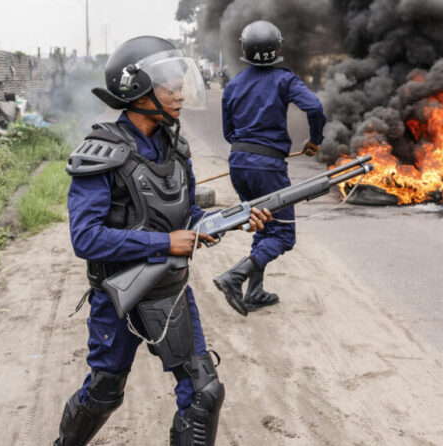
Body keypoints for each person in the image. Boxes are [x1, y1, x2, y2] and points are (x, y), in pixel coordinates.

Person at [54, 36, 272, 445]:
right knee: (103, 393)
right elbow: (85, 238)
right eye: (170, 87)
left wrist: (235, 219)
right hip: (117, 300)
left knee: (204, 394)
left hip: (170, 293)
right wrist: (163, 243)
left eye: (181, 84)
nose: (181, 94)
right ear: (136, 91)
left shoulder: (176, 145)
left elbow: (186, 216)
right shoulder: (100, 153)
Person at [215, 20, 327, 316]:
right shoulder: (285, 80)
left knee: (262, 222)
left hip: (239, 162)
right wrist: (314, 140)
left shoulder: (233, 84)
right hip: (268, 168)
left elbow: (229, 133)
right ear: (278, 48)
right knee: (282, 235)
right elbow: (315, 108)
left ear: (244, 50)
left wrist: (248, 147)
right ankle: (235, 277)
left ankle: (254, 292)